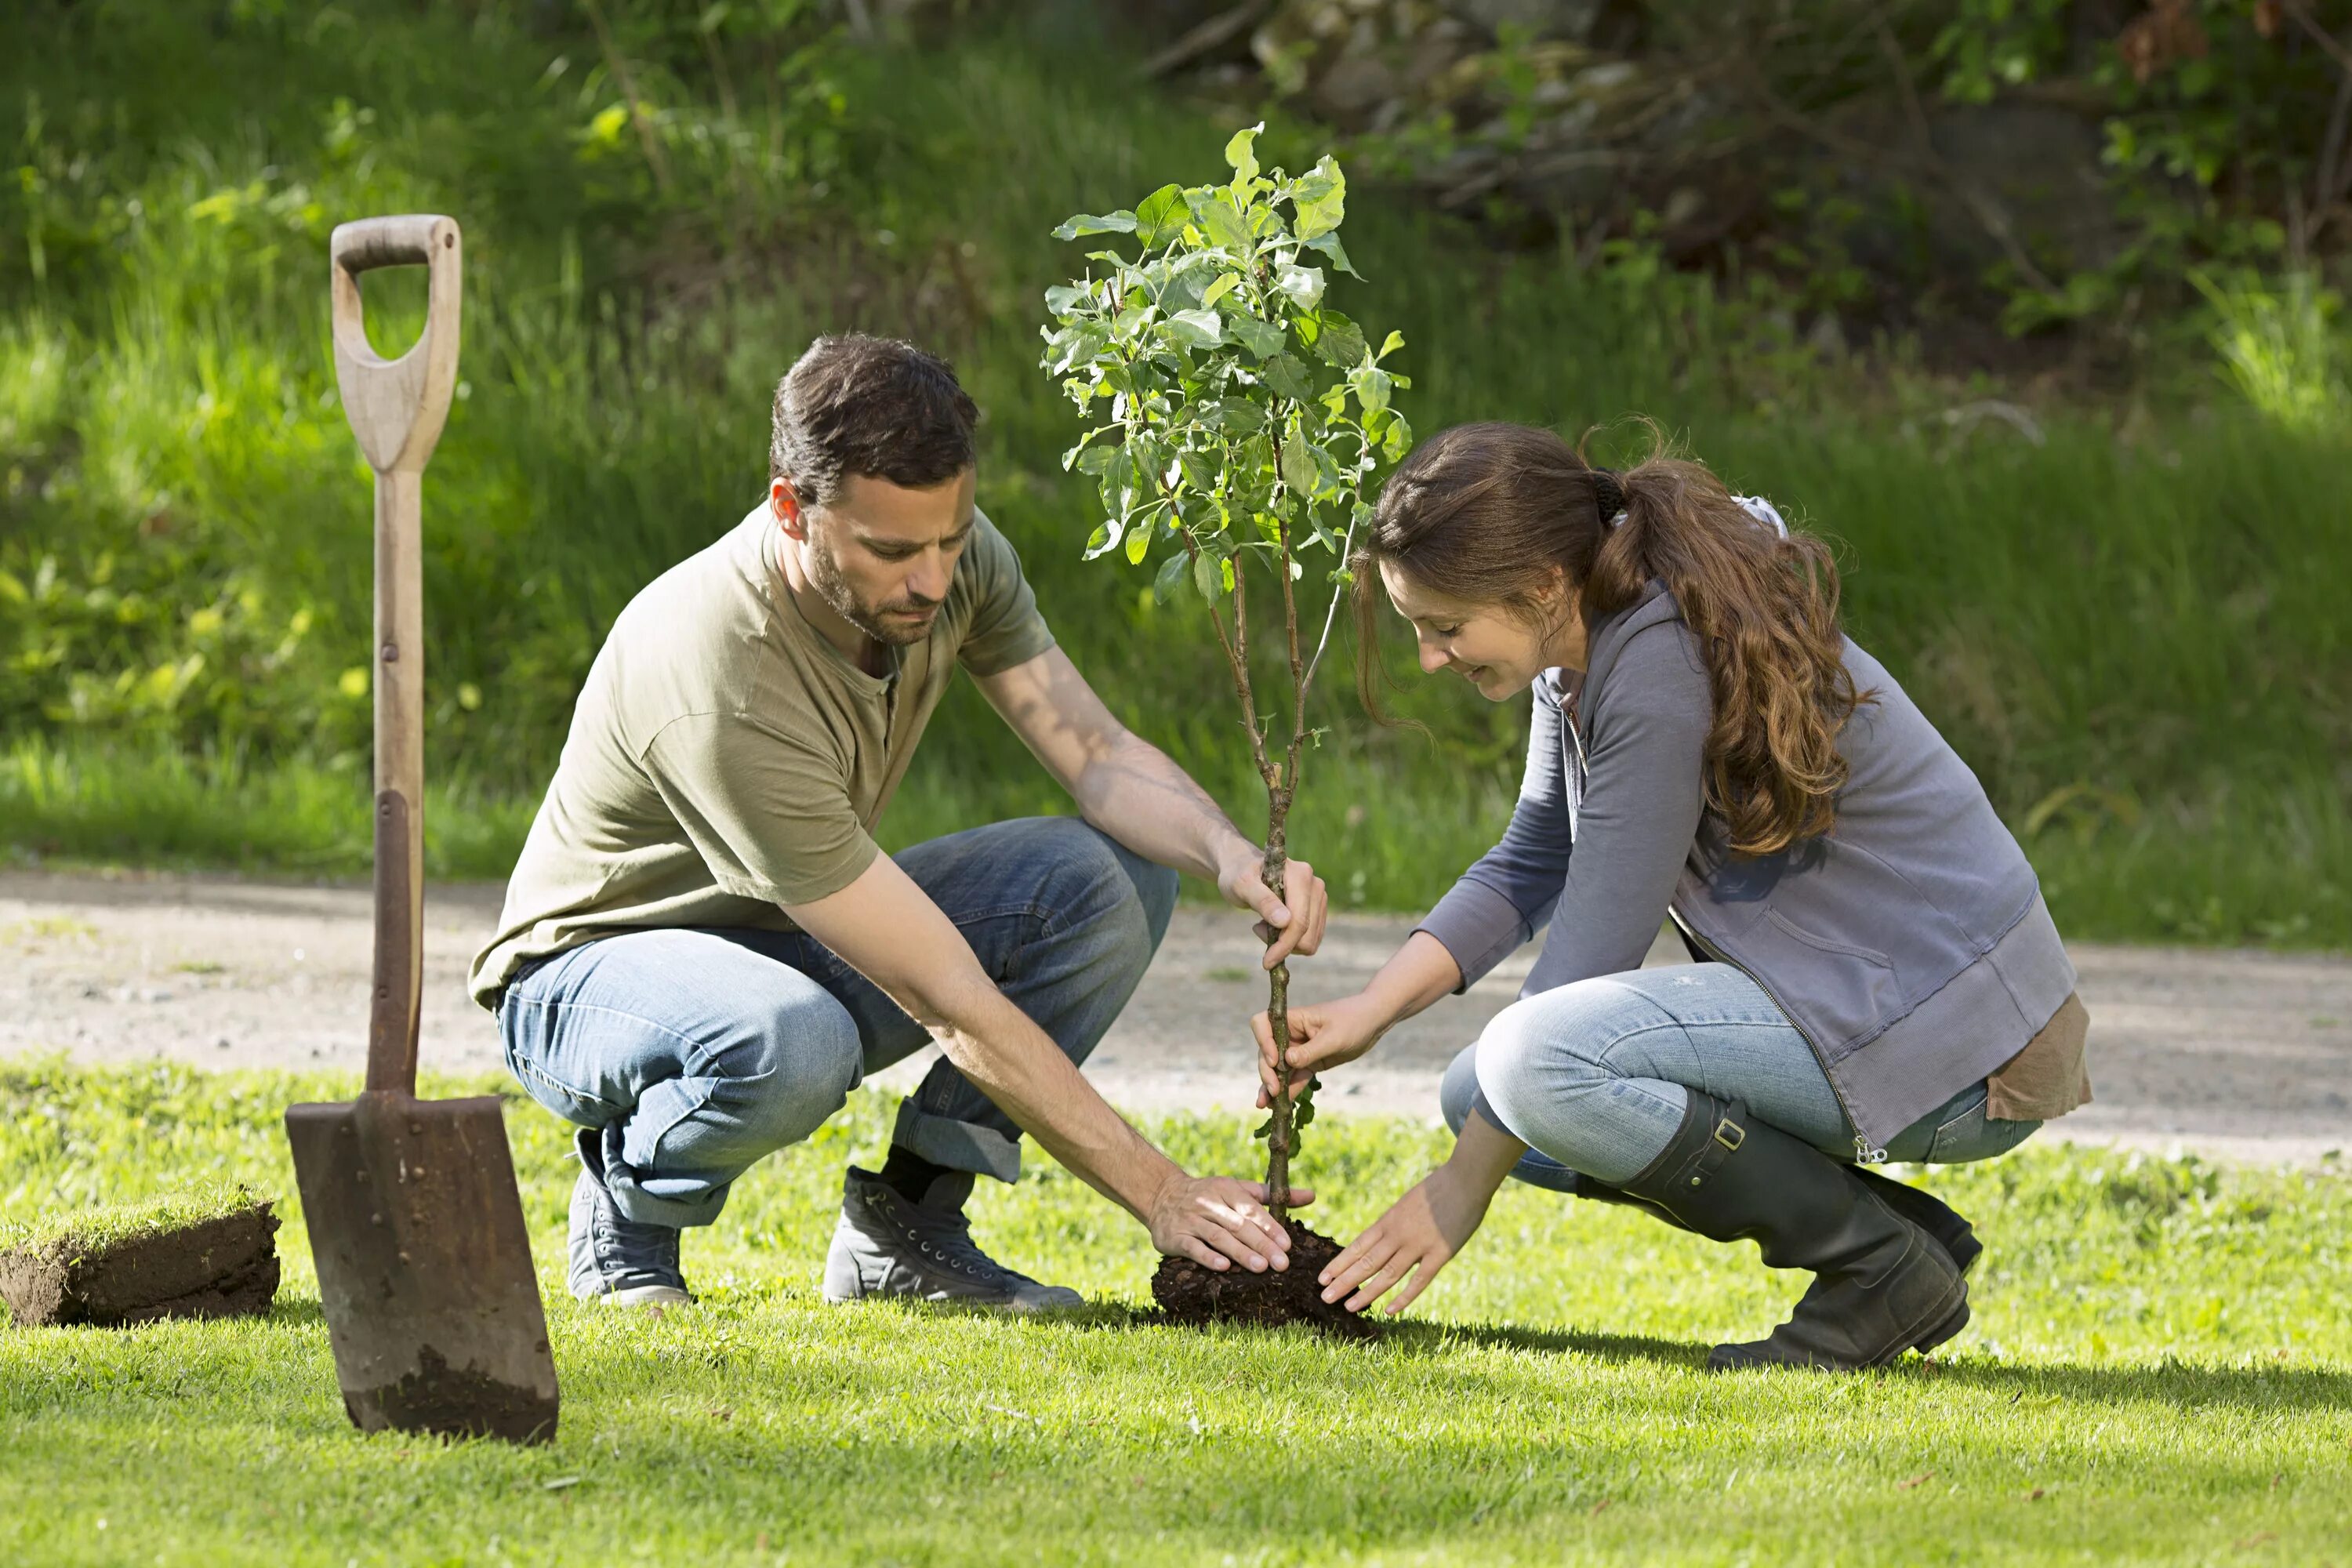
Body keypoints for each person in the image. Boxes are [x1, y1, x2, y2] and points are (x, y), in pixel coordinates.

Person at [471, 333, 1329, 1311]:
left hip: (784, 934)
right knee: (792, 1042)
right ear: (791, 508)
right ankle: (627, 1211)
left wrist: (1231, 853)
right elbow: (946, 996)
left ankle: (906, 1227)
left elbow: (1094, 752)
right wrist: (1164, 1193)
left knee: (1110, 883)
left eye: (950, 540)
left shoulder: (948, 559)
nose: (932, 578)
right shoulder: (723, 677)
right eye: (891, 550)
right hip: (591, 979)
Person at [1254, 422, 2090, 1370]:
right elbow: (1536, 855)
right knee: (1481, 1088)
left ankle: (1875, 1268)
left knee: (1534, 1068)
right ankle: (1899, 1243)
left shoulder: (1658, 662)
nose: (1431, 659)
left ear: (1539, 589)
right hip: (1898, 1012)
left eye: (1447, 627)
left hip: (1965, 1046)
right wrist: (1371, 1007)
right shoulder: (1582, 634)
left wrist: (1459, 1190)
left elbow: (1591, 953)